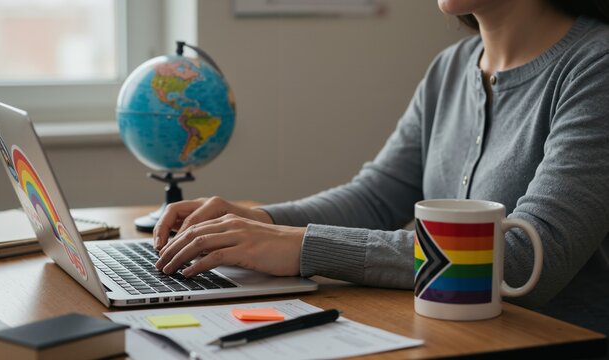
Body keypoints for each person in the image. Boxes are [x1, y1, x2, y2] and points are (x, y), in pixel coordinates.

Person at [154, 0, 609, 332]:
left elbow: (526, 261)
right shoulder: (449, 69)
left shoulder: (596, 67)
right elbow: (377, 195)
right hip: (445, 337)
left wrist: (302, 247)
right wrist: (259, 221)